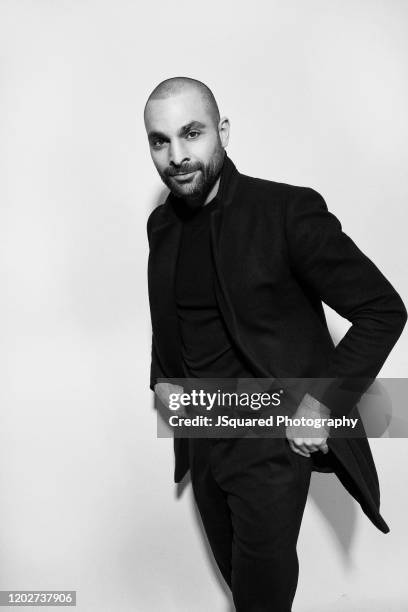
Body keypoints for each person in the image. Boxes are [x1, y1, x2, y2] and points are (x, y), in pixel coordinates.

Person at [144, 76, 406, 611]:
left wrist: (321, 406)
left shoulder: (285, 212)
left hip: (270, 442)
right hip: (203, 435)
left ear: (223, 131)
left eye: (191, 133)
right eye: (160, 140)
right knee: (243, 594)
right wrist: (163, 388)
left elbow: (383, 309)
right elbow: (171, 320)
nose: (177, 155)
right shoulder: (162, 226)